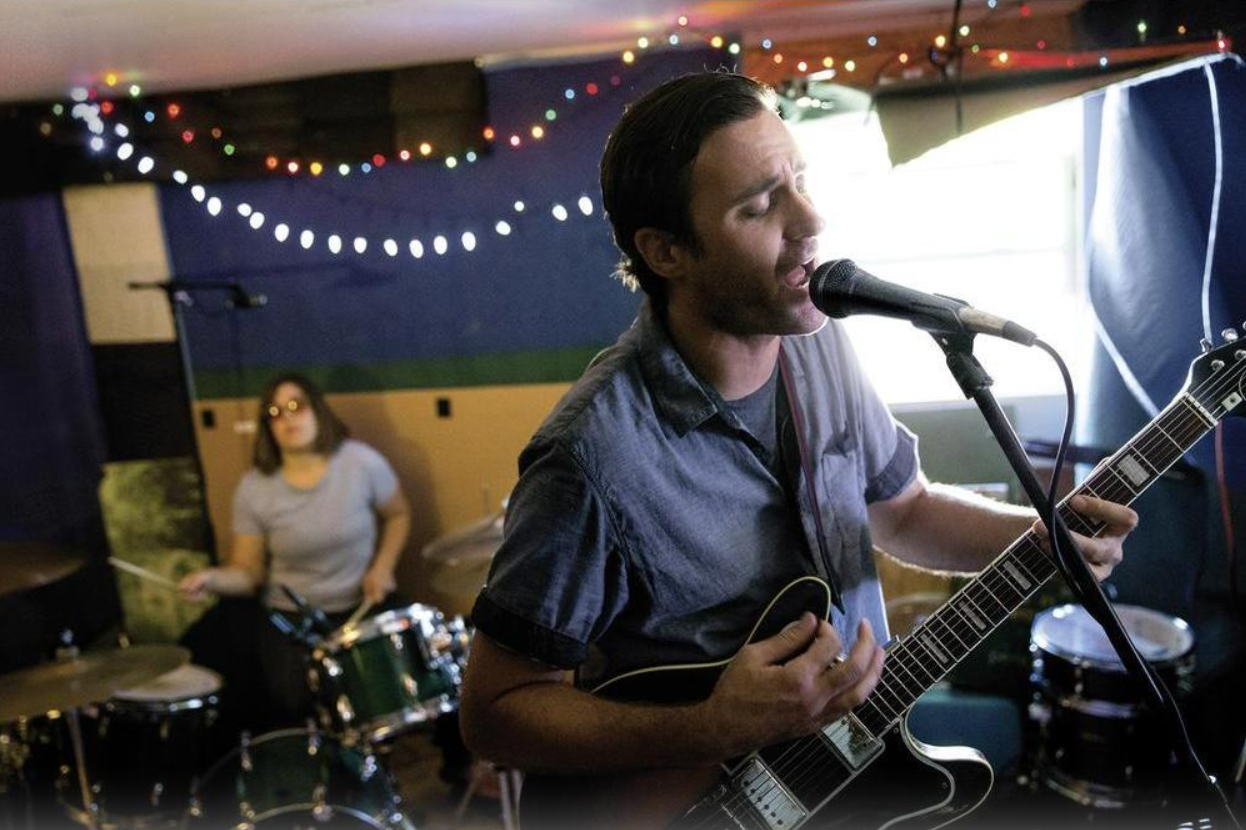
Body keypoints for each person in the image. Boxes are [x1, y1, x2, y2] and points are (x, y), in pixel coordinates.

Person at [457, 71, 1138, 821]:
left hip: (849, 778)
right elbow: (493, 715)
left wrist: (1044, 538)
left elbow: (902, 511)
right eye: (758, 206)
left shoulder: (818, 341)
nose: (810, 220)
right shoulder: (590, 457)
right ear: (666, 251)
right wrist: (710, 727)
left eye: (801, 181)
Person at [179, 373, 411, 725]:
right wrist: (210, 579)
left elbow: (398, 514)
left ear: (317, 410)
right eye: (275, 412)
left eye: (296, 406)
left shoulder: (361, 462)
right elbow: (248, 573)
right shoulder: (255, 488)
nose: (287, 418)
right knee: (296, 707)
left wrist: (383, 566)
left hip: (359, 606)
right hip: (292, 620)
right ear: (267, 427)